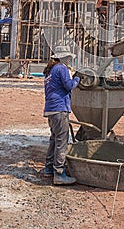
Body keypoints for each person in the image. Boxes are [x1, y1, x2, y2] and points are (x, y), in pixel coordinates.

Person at [43, 54, 80, 185]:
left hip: (50, 109)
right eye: (69, 58)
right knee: (62, 141)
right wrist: (77, 79)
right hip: (60, 108)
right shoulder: (61, 68)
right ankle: (59, 173)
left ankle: (48, 168)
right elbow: (69, 86)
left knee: (54, 139)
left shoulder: (50, 71)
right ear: (63, 58)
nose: (70, 60)